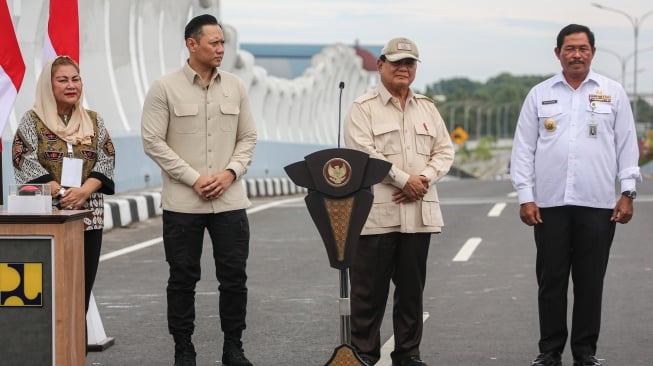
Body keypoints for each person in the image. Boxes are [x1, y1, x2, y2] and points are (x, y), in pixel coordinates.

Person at [510, 24, 642, 366]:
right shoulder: (539, 94)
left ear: (593, 53)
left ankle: (585, 353)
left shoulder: (612, 93)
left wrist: (627, 192)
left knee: (589, 282)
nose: (577, 55)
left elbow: (627, 146)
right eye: (569, 48)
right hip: (549, 205)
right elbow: (523, 149)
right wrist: (526, 195)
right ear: (558, 54)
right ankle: (550, 351)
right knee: (550, 281)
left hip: (598, 205)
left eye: (583, 48)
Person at [141, 14, 257, 366]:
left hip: (229, 201)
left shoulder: (235, 86)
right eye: (214, 43)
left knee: (234, 278)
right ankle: (184, 349)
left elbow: (248, 137)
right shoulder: (165, 87)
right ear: (192, 44)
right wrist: (193, 178)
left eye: (223, 42)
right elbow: (152, 141)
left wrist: (230, 173)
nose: (221, 49)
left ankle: (233, 348)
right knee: (182, 279)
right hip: (183, 204)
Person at [344, 37, 455, 366]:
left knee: (411, 292)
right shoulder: (363, 108)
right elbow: (363, 152)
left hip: (418, 213)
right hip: (377, 215)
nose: (403, 68)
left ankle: (408, 355)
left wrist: (424, 179)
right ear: (380, 66)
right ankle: (363, 355)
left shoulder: (427, 108)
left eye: (410, 63)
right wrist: (404, 179)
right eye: (396, 62)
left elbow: (445, 151)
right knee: (368, 294)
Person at [12, 55, 116, 341]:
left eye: (76, 79)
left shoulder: (94, 121)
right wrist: (60, 191)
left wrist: (83, 191)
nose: (71, 86)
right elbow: (24, 161)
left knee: (79, 294)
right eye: (63, 80)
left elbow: (106, 159)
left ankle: (75, 354)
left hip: (88, 218)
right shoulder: (32, 121)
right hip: (48, 219)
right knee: (50, 294)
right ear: (49, 85)